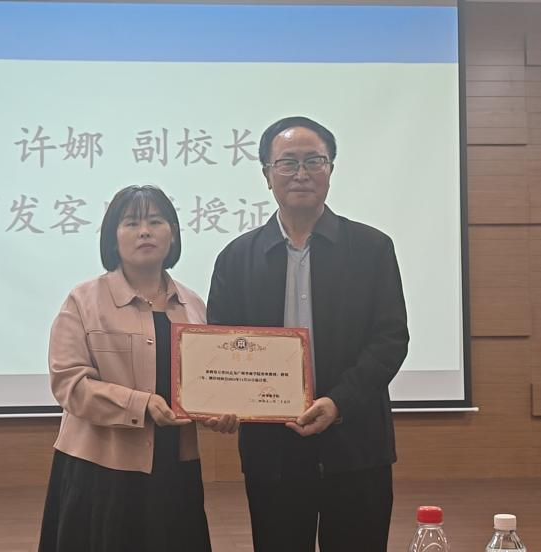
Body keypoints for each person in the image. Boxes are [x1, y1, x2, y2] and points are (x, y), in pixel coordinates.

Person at [207, 116, 409, 552]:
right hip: (272, 451)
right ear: (267, 174)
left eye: (314, 161)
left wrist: (339, 402)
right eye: (287, 163)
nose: (301, 173)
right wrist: (223, 400)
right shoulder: (236, 258)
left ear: (331, 169)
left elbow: (390, 339)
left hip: (356, 443)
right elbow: (221, 347)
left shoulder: (372, 249)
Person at [38, 184, 238, 552]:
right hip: (101, 468)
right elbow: (69, 383)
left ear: (172, 234)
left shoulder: (193, 305)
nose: (145, 231)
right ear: (112, 239)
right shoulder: (83, 300)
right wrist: (140, 404)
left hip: (174, 466)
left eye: (156, 221)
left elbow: (207, 382)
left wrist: (220, 410)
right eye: (131, 223)